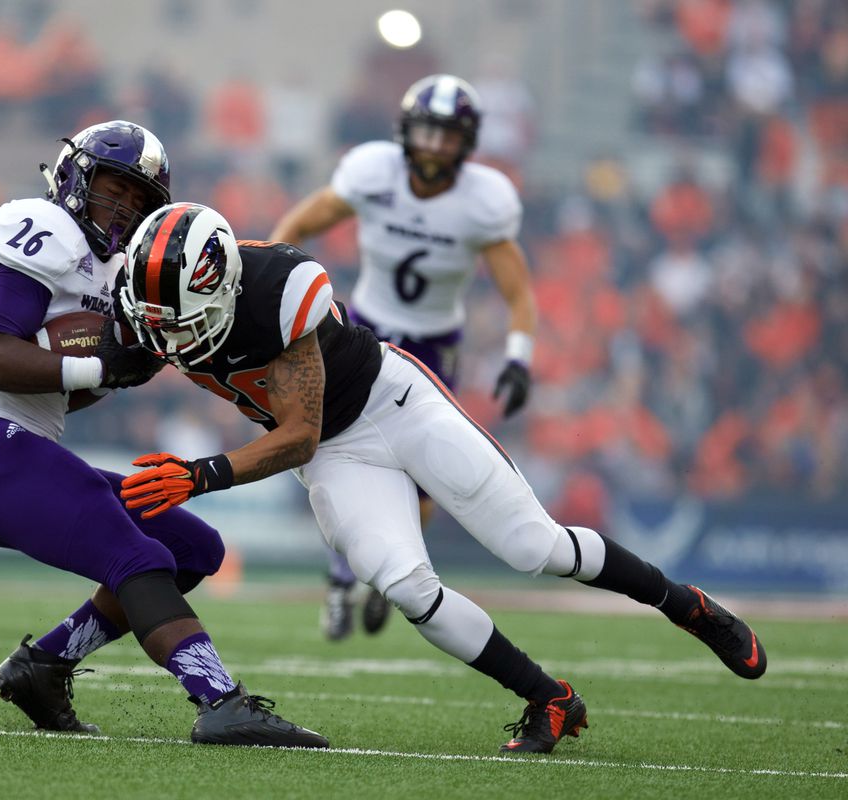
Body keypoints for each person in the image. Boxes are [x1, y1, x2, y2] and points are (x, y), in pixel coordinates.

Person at [117, 201, 767, 754]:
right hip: (338, 459)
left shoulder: (278, 291)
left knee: (531, 547)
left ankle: (688, 606)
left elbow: (299, 434)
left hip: (390, 406)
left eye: (176, 314)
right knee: (409, 590)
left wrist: (200, 475)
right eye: (155, 316)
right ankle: (550, 698)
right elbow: (110, 356)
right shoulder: (147, 307)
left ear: (223, 285)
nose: (165, 332)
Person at [0, 120, 327, 748]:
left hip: (21, 441)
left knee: (192, 546)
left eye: (140, 201)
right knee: (139, 557)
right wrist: (103, 365)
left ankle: (46, 665)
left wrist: (112, 373)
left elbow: (66, 390)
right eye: (116, 188)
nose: (124, 208)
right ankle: (220, 701)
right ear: (78, 177)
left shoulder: (119, 274)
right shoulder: (45, 228)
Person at [269, 74, 538, 641]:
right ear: (406, 131)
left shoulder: (484, 199)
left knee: (428, 480)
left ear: (467, 142)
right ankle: (343, 576)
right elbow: (296, 227)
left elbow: (517, 290)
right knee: (335, 453)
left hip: (433, 346)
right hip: (364, 330)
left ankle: (384, 577)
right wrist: (278, 295)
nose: (436, 147)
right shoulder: (373, 171)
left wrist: (519, 356)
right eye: (428, 132)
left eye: (449, 136)